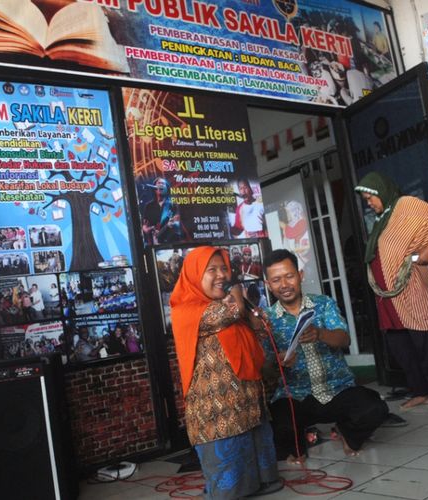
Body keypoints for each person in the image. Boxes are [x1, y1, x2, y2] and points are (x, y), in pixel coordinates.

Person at [170, 246, 280, 499]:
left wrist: (252, 313)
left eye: (224, 268)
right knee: (228, 486)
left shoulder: (230, 306)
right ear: (195, 274)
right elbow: (228, 314)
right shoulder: (186, 308)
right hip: (216, 410)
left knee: (258, 464)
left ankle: (261, 482)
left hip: (248, 401)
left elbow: (262, 327)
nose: (221, 275)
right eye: (212, 270)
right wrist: (237, 292)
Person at [261, 249, 389, 462]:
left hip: (337, 389)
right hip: (296, 394)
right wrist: (277, 363)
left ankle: (345, 432)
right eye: (276, 280)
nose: (284, 284)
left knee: (375, 408)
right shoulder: (267, 320)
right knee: (277, 426)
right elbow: (264, 367)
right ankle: (300, 443)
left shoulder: (323, 304)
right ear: (268, 285)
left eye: (289, 276)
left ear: (300, 275)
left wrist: (320, 334)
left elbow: (344, 339)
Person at [354, 172, 428, 412]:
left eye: (370, 197)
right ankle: (422, 392)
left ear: (381, 189)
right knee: (401, 345)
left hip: (411, 286)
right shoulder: (384, 219)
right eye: (365, 201)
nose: (369, 204)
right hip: (387, 295)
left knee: (426, 341)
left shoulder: (405, 204)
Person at [141, 177, 182, 244]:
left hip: (170, 242)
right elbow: (145, 226)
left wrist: (173, 224)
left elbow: (178, 223)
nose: (161, 185)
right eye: (159, 183)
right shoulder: (149, 206)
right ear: (155, 189)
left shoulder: (172, 205)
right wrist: (149, 229)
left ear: (167, 189)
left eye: (163, 184)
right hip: (154, 243)